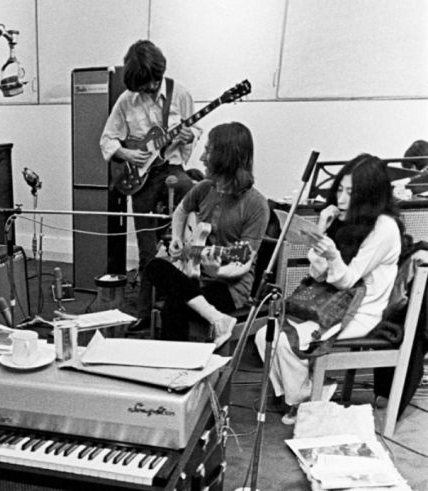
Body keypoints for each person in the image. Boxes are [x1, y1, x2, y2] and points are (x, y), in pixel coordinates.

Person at [256, 154, 402, 425]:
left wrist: (332, 254)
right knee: (264, 336)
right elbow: (315, 274)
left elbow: (348, 280)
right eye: (340, 190)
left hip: (360, 311)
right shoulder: (348, 220)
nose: (342, 199)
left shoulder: (384, 228)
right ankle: (306, 392)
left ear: (370, 196)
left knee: (285, 342)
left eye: (351, 193)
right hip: (332, 302)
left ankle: (304, 397)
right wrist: (321, 232)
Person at [99, 40, 199, 331]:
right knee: (147, 249)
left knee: (190, 206)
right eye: (142, 87)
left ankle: (180, 304)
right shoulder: (126, 101)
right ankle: (143, 311)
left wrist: (187, 137)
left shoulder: (180, 94)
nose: (149, 90)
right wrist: (128, 153)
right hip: (141, 178)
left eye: (152, 84)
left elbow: (195, 132)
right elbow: (107, 140)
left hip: (174, 169)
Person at [145, 122, 269, 346]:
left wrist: (219, 271)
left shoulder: (257, 204)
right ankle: (218, 319)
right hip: (197, 276)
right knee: (154, 266)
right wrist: (177, 239)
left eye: (208, 150)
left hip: (230, 288)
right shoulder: (204, 188)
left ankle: (176, 371)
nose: (202, 157)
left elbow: (243, 261)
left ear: (226, 156)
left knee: (175, 305)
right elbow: (181, 211)